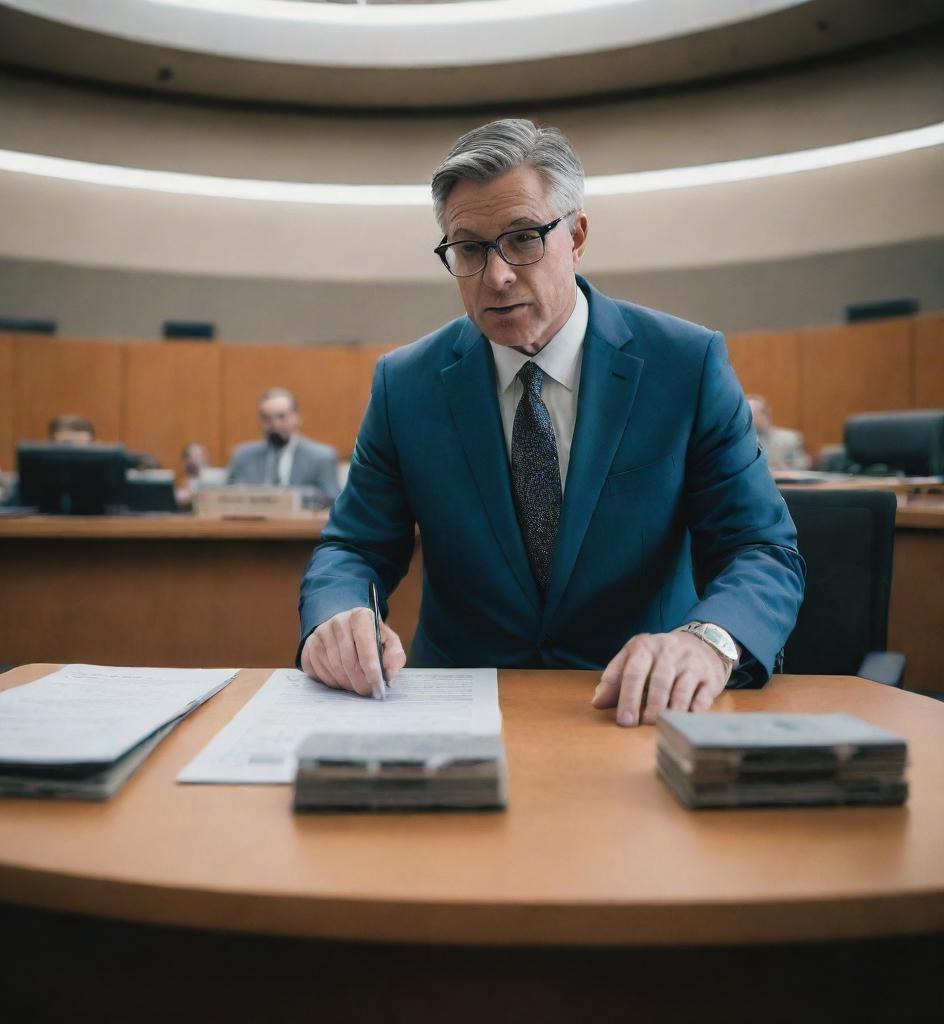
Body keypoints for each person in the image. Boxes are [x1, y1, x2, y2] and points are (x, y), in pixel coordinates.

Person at [299, 119, 804, 727]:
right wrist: (335, 615)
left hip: (636, 704)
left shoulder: (685, 365)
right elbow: (353, 546)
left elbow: (761, 548)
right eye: (469, 249)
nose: (498, 275)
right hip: (458, 712)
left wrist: (708, 641)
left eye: (522, 239)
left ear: (577, 234)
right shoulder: (404, 384)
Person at [226, 388, 341, 504]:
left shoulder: (321, 457)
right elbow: (226, 495)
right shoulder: (243, 456)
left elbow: (331, 498)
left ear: (297, 417)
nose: (275, 424)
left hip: (300, 521)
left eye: (281, 416)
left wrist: (287, 498)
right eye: (267, 418)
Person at [746, 394, 811, 471]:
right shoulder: (741, 441)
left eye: (752, 414)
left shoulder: (790, 438)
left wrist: (785, 469)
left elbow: (802, 465)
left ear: (764, 414)